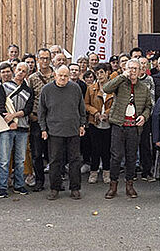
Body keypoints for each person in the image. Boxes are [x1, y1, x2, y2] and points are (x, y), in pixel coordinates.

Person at [102, 58, 153, 199]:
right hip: (119, 125)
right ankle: (113, 185)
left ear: (140, 71)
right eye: (130, 68)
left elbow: (149, 106)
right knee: (116, 156)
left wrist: (144, 116)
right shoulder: (120, 83)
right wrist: (121, 76)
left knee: (131, 157)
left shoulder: (144, 88)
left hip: (134, 128)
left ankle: (129, 185)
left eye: (135, 68)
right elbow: (106, 88)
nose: (132, 71)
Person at [37, 65, 84, 199]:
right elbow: (41, 111)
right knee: (55, 161)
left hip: (73, 130)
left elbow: (81, 108)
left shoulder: (75, 88)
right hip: (54, 131)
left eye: (66, 76)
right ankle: (54, 188)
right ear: (55, 75)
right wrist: (43, 129)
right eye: (60, 75)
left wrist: (82, 124)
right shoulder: (47, 90)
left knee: (75, 160)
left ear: (69, 76)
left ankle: (75, 188)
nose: (63, 78)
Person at [0, 62, 34, 198]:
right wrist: (10, 121)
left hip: (22, 128)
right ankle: (2, 186)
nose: (20, 73)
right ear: (14, 70)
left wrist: (15, 115)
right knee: (5, 159)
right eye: (18, 70)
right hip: (6, 127)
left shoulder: (28, 91)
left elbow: (28, 109)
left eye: (23, 71)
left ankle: (19, 185)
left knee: (20, 159)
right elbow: (0, 106)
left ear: (26, 74)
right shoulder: (4, 87)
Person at [27, 49, 54, 192]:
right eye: (42, 58)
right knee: (37, 153)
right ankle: (39, 180)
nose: (44, 61)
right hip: (37, 119)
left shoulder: (56, 75)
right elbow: (29, 98)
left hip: (54, 119)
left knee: (55, 153)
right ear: (38, 59)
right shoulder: (32, 78)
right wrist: (30, 114)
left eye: (47, 58)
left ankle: (56, 181)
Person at [85, 63, 114, 184]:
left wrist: (107, 113)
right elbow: (86, 104)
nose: (99, 75)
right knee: (95, 149)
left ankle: (107, 172)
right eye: (97, 73)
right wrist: (95, 112)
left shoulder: (114, 88)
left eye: (102, 72)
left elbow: (117, 103)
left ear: (107, 73)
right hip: (95, 123)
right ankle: (94, 172)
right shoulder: (91, 88)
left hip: (109, 123)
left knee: (106, 149)